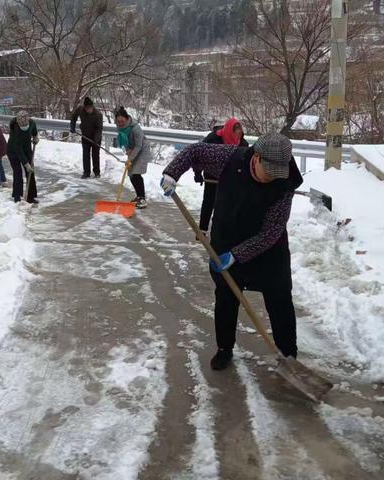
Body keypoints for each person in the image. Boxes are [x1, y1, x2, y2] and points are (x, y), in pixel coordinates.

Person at [161, 133, 303, 370]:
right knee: (226, 297)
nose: (271, 178)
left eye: (276, 174)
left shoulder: (285, 183)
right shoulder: (229, 157)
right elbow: (194, 151)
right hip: (228, 236)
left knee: (279, 298)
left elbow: (271, 232)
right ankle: (224, 349)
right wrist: (171, 173)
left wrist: (238, 255)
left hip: (268, 249)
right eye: (268, 172)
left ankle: (288, 357)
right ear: (256, 158)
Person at [196, 118, 249, 236]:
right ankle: (202, 229)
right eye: (235, 134)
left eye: (239, 134)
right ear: (229, 131)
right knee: (209, 200)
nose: (237, 137)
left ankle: (218, 231)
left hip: (230, 176)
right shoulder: (213, 139)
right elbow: (198, 155)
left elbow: (245, 162)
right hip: (212, 174)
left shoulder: (243, 144)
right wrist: (198, 173)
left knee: (224, 203)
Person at [114, 107, 151, 209]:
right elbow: (122, 141)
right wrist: (127, 150)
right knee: (130, 173)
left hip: (142, 150)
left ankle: (142, 199)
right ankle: (139, 196)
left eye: (122, 121)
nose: (120, 123)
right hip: (133, 150)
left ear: (127, 119)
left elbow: (139, 145)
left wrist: (130, 158)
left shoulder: (135, 128)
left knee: (136, 172)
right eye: (118, 121)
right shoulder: (119, 128)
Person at [7, 111, 39, 203]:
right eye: (22, 127)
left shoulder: (32, 123)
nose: (24, 128)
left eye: (26, 126)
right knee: (17, 172)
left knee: (30, 172)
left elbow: (34, 132)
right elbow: (19, 150)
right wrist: (26, 164)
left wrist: (35, 137)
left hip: (27, 148)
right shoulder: (15, 130)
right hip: (13, 151)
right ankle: (17, 196)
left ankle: (30, 197)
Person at [70, 97, 103, 179]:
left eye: (89, 108)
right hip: (85, 135)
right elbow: (74, 116)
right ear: (84, 107)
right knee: (86, 155)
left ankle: (97, 172)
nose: (88, 110)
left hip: (96, 137)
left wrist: (96, 139)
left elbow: (99, 128)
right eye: (86, 108)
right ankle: (86, 172)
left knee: (95, 155)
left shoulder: (98, 114)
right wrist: (72, 127)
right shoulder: (80, 109)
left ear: (92, 107)